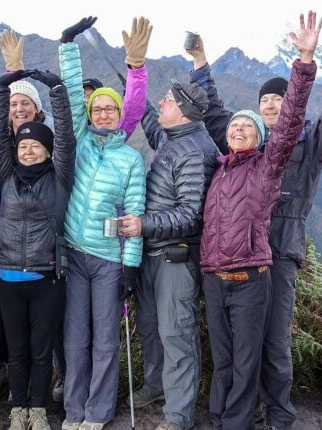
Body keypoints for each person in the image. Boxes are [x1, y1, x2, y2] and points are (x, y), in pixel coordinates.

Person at [191, 2, 322, 429]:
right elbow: (217, 113)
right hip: (234, 256)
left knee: (273, 341)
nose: (272, 105)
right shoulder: (241, 148)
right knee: (234, 346)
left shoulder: (307, 145)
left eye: (278, 98)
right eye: (265, 101)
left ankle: (278, 415)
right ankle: (242, 410)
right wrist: (200, 63)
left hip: (279, 250)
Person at [198, 10, 320, 430]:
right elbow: (213, 117)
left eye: (246, 127)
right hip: (214, 278)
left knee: (248, 360)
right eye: (233, 126)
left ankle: (238, 424)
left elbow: (288, 125)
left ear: (259, 138)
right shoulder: (217, 170)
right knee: (225, 359)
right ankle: (220, 420)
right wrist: (199, 65)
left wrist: (303, 64)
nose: (237, 129)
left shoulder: (267, 169)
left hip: (250, 278)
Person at [57, 16, 150, 430]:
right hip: (75, 255)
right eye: (99, 108)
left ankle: (97, 413)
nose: (105, 113)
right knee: (75, 339)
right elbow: (74, 100)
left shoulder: (130, 158)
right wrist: (67, 44)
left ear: (118, 114)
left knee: (106, 342)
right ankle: (74, 410)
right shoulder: (79, 142)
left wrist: (131, 264)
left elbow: (133, 215)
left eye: (111, 108)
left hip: (110, 261)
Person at [118, 77, 219, 430]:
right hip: (150, 253)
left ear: (185, 111)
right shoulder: (174, 138)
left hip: (174, 258)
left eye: (167, 101)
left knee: (176, 333)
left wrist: (143, 224)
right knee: (149, 326)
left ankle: (179, 416)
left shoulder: (194, 151)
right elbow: (147, 117)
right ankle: (157, 385)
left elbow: (191, 213)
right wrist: (134, 71)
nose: (161, 104)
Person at [0, 68, 76, 430]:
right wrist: (0, 87)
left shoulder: (58, 177)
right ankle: (18, 409)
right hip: (8, 276)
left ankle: (37, 410)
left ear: (47, 150)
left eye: (35, 146)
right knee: (18, 350)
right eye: (22, 146)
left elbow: (68, 139)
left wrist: (56, 88)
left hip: (45, 276)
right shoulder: (7, 174)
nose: (27, 151)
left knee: (42, 350)